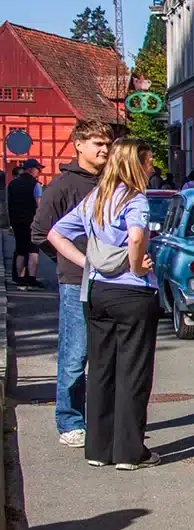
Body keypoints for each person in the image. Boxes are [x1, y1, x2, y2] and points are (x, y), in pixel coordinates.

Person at [47, 138, 160, 470]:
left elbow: (55, 233)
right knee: (133, 371)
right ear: (134, 165)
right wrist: (137, 265)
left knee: (100, 368)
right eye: (149, 161)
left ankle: (98, 448)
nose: (152, 167)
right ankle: (129, 452)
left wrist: (87, 263)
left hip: (98, 291)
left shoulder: (96, 198)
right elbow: (137, 237)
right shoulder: (134, 199)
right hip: (133, 292)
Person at [32, 120, 110, 449]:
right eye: (97, 143)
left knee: (105, 354)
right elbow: (40, 232)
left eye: (107, 143)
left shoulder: (112, 182)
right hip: (75, 282)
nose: (104, 149)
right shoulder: (62, 187)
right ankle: (70, 420)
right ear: (79, 145)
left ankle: (103, 419)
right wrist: (65, 262)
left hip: (112, 280)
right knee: (75, 354)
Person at [8, 159, 44, 290]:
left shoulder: (12, 184)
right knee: (33, 251)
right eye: (38, 169)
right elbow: (39, 205)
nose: (39, 172)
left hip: (17, 222)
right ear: (31, 169)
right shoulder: (36, 185)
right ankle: (32, 279)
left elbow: (9, 204)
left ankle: (21, 279)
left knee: (20, 250)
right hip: (32, 222)